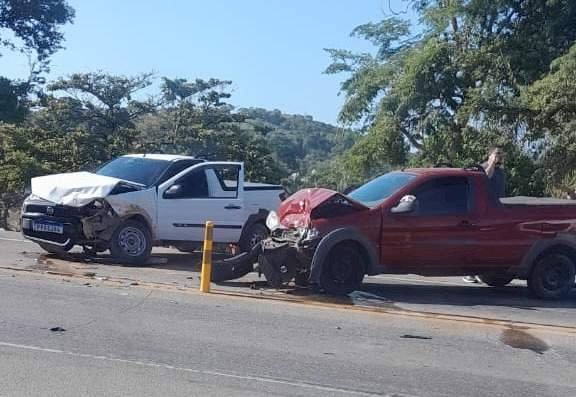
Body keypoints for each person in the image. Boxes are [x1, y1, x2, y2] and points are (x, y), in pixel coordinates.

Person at [463, 146, 506, 284]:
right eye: (497, 154)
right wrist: (491, 163)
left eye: (501, 155)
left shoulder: (501, 172)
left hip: (496, 211)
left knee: (493, 244)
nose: (500, 156)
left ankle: (486, 273)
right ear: (490, 155)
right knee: (477, 241)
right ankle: (470, 273)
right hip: (481, 212)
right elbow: (485, 179)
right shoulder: (482, 168)